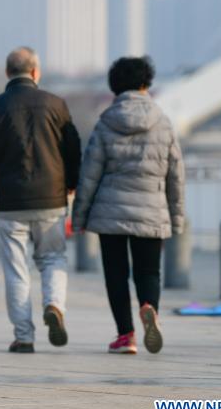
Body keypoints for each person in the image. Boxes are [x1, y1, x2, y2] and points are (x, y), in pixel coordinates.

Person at [72, 56, 184, 355]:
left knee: (115, 274)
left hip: (111, 211)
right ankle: (149, 307)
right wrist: (177, 218)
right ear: (147, 84)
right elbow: (175, 174)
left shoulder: (106, 121)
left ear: (115, 87)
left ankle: (126, 336)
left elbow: (89, 173)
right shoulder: (163, 121)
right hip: (151, 208)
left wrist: (79, 216)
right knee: (149, 271)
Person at [0, 47, 81, 354]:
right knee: (53, 258)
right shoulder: (56, 104)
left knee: (16, 268)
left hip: (10, 201)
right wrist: (71, 184)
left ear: (8, 73)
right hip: (51, 198)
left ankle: (24, 336)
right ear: (35, 72)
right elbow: (72, 149)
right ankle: (54, 304)